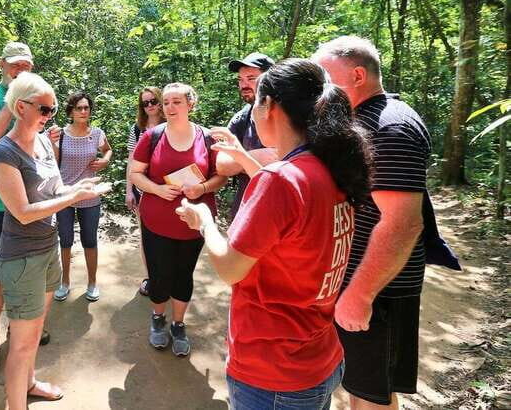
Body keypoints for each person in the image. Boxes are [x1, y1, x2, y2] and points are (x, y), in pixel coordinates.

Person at [177, 58, 372, 409]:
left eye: (256, 101)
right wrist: (246, 158)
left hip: (273, 372)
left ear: (269, 107)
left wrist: (205, 221)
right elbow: (290, 202)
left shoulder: (282, 179)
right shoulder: (332, 166)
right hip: (318, 356)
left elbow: (230, 268)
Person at [312, 36, 434, 409]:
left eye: (325, 79)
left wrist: (360, 294)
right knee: (355, 384)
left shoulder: (390, 127)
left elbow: (402, 223)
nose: (319, 91)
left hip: (378, 290)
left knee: (370, 395)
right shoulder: (361, 118)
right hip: (357, 280)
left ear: (358, 75)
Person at [0, 72, 111, 409]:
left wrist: (83, 189)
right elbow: (24, 211)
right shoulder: (3, 155)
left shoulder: (43, 142)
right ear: (20, 107)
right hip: (21, 257)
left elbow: (55, 191)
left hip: (46, 249)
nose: (49, 116)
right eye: (44, 109)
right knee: (23, 343)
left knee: (35, 330)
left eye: (53, 110)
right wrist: (71, 199)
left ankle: (28, 384)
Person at [0, 41, 54, 389]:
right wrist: (15, 101)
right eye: (16, 65)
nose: (22, 70)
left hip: (34, 205)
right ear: (2, 64)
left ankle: (23, 327)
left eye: (27, 65)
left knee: (35, 268)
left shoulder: (39, 100)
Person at [129, 82, 227, 357]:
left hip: (193, 223)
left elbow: (221, 176)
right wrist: (157, 188)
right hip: (156, 220)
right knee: (159, 275)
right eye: (167, 102)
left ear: (190, 104)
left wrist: (203, 188)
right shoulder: (152, 136)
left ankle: (178, 323)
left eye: (177, 102)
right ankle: (158, 318)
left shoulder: (207, 138)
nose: (170, 107)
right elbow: (136, 174)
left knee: (184, 274)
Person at [53, 92, 112, 302]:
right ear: (70, 111)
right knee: (65, 240)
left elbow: (107, 150)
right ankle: (65, 282)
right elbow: (53, 162)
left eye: (87, 108)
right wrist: (52, 144)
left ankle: (92, 282)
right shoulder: (60, 134)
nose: (84, 111)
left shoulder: (96, 133)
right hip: (65, 195)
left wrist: (104, 161)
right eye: (79, 108)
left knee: (89, 240)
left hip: (89, 195)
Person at [217, 52, 278, 221]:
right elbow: (222, 166)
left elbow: (289, 161)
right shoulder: (241, 118)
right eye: (240, 80)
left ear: (270, 78)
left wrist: (239, 159)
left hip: (281, 209)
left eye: (251, 78)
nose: (244, 85)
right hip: (245, 209)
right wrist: (259, 157)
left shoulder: (290, 114)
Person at [125, 86, 165, 297]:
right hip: (143, 191)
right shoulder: (137, 129)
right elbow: (131, 161)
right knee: (147, 236)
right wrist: (128, 191)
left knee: (168, 235)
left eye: (153, 101)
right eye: (145, 103)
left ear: (160, 101)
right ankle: (151, 277)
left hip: (169, 190)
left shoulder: (172, 125)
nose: (149, 106)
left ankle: (168, 276)